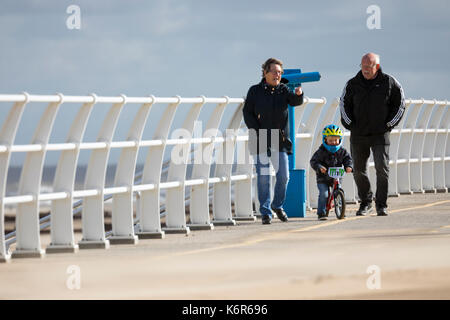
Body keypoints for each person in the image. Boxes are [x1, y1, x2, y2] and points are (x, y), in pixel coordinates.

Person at [339, 52, 405, 216]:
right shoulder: (352, 84)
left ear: (376, 66)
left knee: (382, 168)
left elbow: (400, 104)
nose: (365, 70)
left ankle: (381, 205)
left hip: (380, 134)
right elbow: (343, 104)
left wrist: (389, 124)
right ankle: (366, 202)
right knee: (358, 170)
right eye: (363, 66)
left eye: (368, 67)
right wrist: (350, 125)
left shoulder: (389, 82)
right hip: (358, 134)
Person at [243, 58, 304, 225]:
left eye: (280, 72)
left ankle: (277, 205)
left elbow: (295, 101)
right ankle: (265, 212)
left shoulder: (283, 90)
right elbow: (247, 113)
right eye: (275, 72)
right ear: (265, 72)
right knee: (263, 177)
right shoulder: (254, 91)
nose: (278, 75)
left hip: (279, 139)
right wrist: (257, 130)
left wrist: (299, 94)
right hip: (260, 138)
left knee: (284, 175)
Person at [310, 125, 353, 220]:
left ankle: (341, 210)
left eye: (336, 140)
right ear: (325, 140)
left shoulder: (342, 151)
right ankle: (321, 213)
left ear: (340, 140)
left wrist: (349, 166)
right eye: (330, 140)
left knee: (340, 191)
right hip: (323, 178)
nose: (333, 143)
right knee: (324, 194)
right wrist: (319, 167)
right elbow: (313, 161)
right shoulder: (321, 151)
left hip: (337, 176)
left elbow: (348, 159)